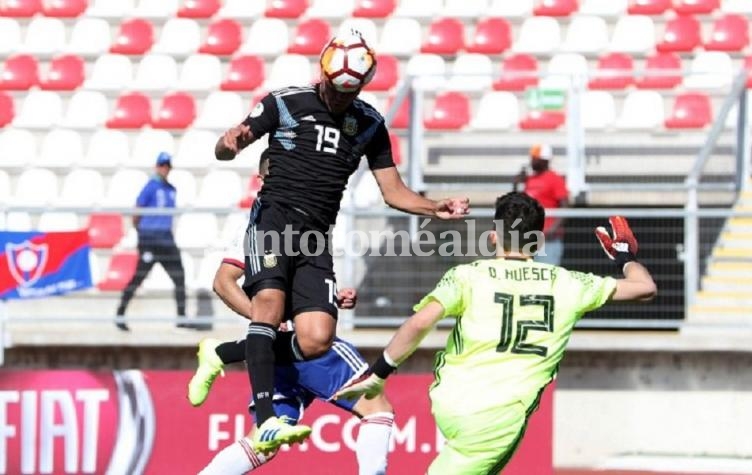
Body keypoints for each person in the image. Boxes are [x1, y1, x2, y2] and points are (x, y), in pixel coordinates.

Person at [214, 30, 469, 453]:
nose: (339, 98)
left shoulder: (369, 123)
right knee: (269, 308)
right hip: (274, 222)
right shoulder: (287, 102)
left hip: (317, 237)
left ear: (363, 85)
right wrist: (229, 143)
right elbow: (228, 146)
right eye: (335, 89)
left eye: (349, 92)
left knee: (316, 337)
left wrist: (433, 207)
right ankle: (265, 420)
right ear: (324, 72)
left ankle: (225, 352)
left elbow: (393, 190)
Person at [335, 192, 657, 474]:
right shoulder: (568, 283)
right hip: (497, 418)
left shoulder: (468, 275)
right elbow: (644, 287)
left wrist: (378, 374)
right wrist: (624, 256)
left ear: (493, 237)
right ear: (539, 241)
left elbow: (419, 323)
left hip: (451, 405)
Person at [189, 170, 394, 474]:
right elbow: (223, 282)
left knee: (261, 444)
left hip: (280, 350)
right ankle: (222, 352)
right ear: (265, 176)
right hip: (308, 348)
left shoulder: (298, 220)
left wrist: (331, 299)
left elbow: (297, 285)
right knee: (378, 410)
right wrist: (263, 322)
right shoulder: (262, 228)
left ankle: (224, 353)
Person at [116, 152, 189, 331]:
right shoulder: (150, 186)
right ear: (157, 166)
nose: (164, 168)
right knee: (139, 276)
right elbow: (137, 210)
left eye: (167, 165)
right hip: (150, 238)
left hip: (165, 239)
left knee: (179, 276)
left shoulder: (171, 189)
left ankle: (181, 317)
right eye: (162, 165)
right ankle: (120, 313)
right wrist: (141, 234)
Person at [513, 144, 569, 265]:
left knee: (546, 276)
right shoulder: (529, 179)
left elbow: (565, 205)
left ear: (544, 160)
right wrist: (516, 184)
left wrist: (553, 229)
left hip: (547, 239)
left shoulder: (555, 179)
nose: (531, 161)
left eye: (535, 158)